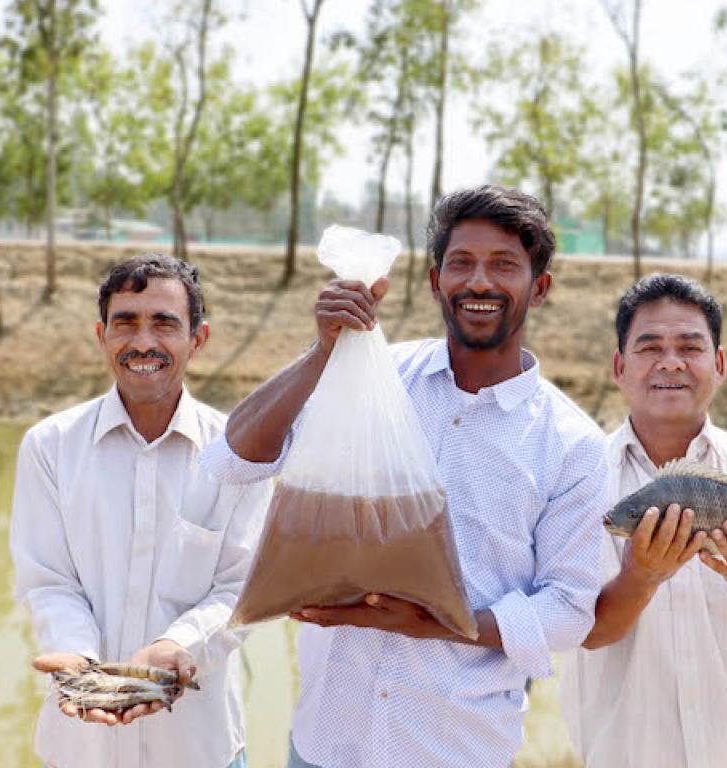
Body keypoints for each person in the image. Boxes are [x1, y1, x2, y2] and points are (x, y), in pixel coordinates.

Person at [201, 185, 609, 767]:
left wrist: (440, 624)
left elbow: (568, 611)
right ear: (435, 280)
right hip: (324, 745)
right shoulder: (376, 377)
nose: (479, 283)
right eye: (461, 263)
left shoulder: (571, 444)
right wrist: (324, 351)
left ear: (539, 288)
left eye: (503, 265)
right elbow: (231, 460)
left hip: (456, 749)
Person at [10, 253, 272, 768]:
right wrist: (80, 663)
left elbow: (242, 591)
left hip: (199, 748)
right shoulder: (50, 446)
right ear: (102, 335)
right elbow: (49, 582)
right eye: (126, 322)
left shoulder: (240, 453)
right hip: (81, 745)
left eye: (165, 323)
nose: (143, 342)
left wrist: (178, 646)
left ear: (198, 339)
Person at [560, 273, 727, 768]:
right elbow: (583, 632)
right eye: (649, 347)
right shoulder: (576, 480)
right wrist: (641, 576)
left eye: (690, 347)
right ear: (619, 367)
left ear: (719, 365)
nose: (671, 362)